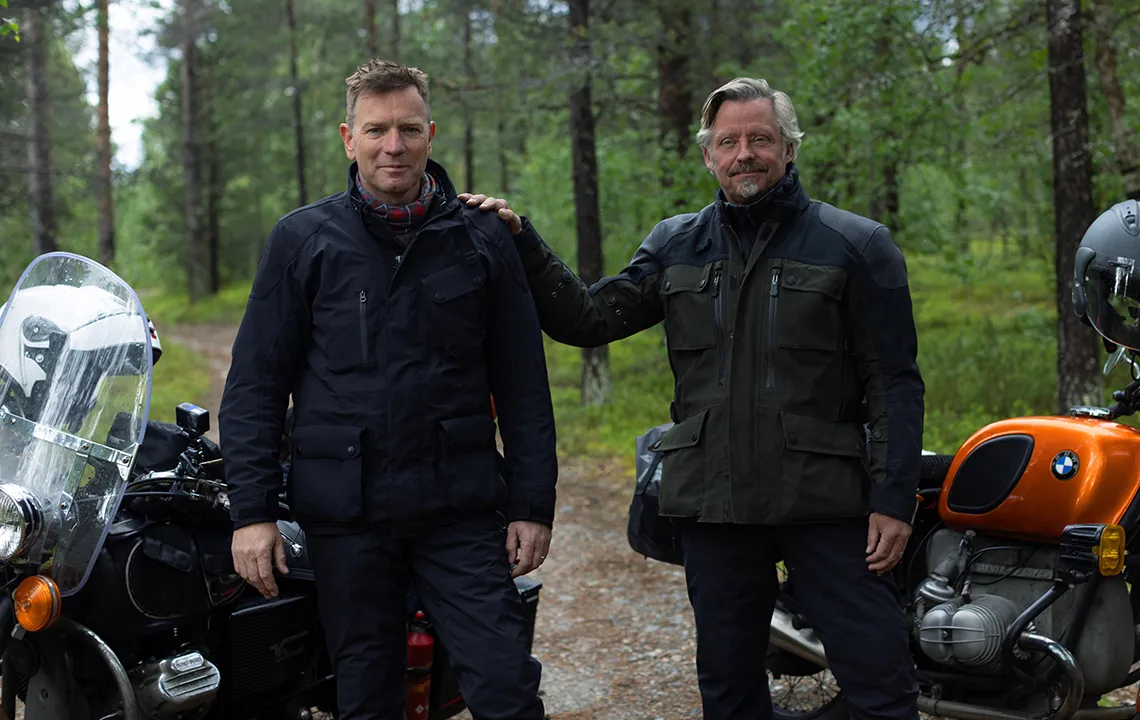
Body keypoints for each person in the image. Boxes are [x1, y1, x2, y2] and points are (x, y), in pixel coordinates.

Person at [460, 76, 924, 719]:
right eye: (728, 142)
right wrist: (522, 241)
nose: (745, 155)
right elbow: (590, 319)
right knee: (730, 691)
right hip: (717, 507)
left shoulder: (856, 245)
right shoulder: (677, 243)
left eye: (760, 139)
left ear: (789, 149)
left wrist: (894, 499)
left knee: (881, 684)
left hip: (828, 505)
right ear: (708, 156)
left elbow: (894, 382)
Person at [217, 59, 557, 720]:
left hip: (456, 510)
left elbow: (523, 385)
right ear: (349, 139)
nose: (392, 146)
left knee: (506, 687)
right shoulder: (302, 240)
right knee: (367, 698)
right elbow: (256, 385)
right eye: (375, 131)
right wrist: (251, 512)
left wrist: (532, 503)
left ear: (430, 133)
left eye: (406, 129)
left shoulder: (483, 238)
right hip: (347, 518)